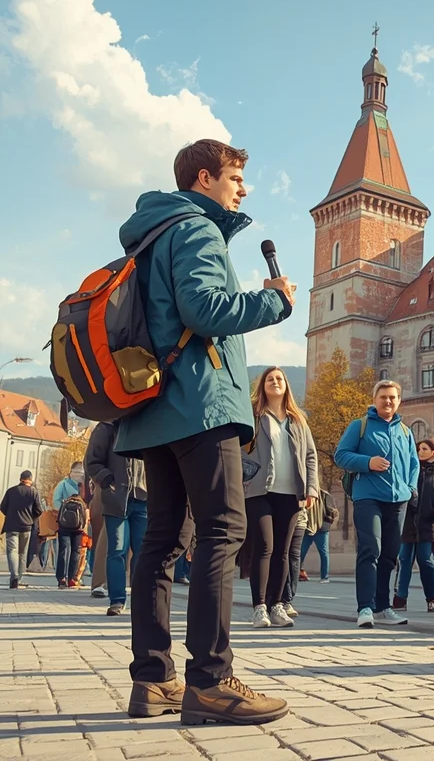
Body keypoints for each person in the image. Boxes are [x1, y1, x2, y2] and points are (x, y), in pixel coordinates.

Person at [116, 139, 294, 724]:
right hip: (199, 403)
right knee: (223, 530)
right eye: (235, 178)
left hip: (152, 411)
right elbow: (206, 312)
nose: (242, 189)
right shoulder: (196, 229)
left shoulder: (146, 234)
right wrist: (271, 302)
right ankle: (212, 681)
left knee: (162, 541)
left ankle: (153, 680)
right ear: (203, 177)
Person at [335, 380, 418, 629]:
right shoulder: (359, 426)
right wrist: (368, 462)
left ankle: (383, 607)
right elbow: (341, 455)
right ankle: (365, 608)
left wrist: (410, 488)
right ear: (375, 399)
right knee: (371, 549)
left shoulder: (405, 431)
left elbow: (414, 463)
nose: (388, 401)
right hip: (367, 496)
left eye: (393, 397)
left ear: (399, 400)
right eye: (383, 397)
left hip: (398, 500)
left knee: (391, 555)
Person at [242, 367, 318, 629]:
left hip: (291, 493)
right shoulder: (253, 414)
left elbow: (310, 455)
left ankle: (277, 605)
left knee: (283, 552)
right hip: (259, 491)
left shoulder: (298, 419)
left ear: (287, 385)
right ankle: (259, 607)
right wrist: (245, 476)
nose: (275, 382)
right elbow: (237, 448)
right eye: (270, 379)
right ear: (262, 386)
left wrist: (311, 489)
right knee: (264, 547)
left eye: (280, 379)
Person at [86, 421, 148, 616]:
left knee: (143, 552)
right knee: (117, 551)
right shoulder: (107, 427)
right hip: (116, 499)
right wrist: (107, 481)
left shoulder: (146, 425)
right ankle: (117, 601)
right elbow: (92, 461)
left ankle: (141, 600)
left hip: (143, 499)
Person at [394, 439, 434, 613]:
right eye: (419, 449)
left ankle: (432, 597)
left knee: (426, 560)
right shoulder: (411, 469)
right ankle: (400, 598)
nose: (421, 451)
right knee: (404, 560)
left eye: (425, 449)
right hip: (409, 523)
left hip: (430, 524)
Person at [2, 471, 43, 589]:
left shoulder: (11, 491)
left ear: (20, 478)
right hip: (26, 527)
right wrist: (31, 518)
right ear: (30, 479)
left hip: (11, 526)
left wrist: (11, 514)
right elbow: (39, 510)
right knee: (22, 553)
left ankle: (13, 576)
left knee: (12, 551)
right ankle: (19, 578)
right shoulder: (34, 492)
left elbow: (3, 507)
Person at [54, 462, 87, 589]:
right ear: (71, 472)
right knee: (68, 550)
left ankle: (70, 578)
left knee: (74, 551)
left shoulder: (84, 485)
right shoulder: (64, 484)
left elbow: (56, 501)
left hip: (76, 524)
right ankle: (63, 578)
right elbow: (56, 501)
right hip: (69, 524)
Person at [300, 491, 334, 583]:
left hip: (321, 528)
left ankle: (325, 577)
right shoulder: (305, 495)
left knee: (323, 553)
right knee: (301, 552)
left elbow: (331, 511)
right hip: (308, 527)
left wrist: (326, 523)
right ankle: (298, 573)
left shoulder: (325, 495)